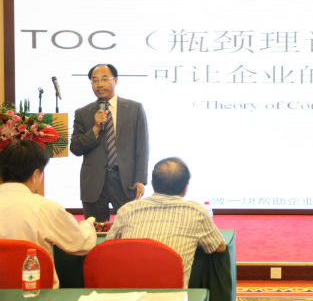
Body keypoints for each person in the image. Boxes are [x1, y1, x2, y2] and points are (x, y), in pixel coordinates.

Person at [107, 157, 226, 287]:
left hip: (129, 293)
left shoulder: (128, 209)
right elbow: (219, 247)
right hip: (173, 294)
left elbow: (109, 246)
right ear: (186, 188)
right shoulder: (196, 211)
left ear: (152, 183)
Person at [0, 140, 97, 288]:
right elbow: (81, 243)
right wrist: (87, 225)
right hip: (37, 292)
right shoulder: (44, 207)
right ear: (35, 175)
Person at [70, 63, 149, 223]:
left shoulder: (134, 109)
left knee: (130, 227)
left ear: (116, 80)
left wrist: (140, 179)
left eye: (104, 79)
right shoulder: (82, 113)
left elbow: (142, 146)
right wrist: (95, 128)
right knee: (95, 230)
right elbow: (76, 148)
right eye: (95, 80)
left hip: (126, 181)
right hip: (94, 183)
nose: (99, 84)